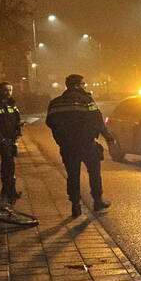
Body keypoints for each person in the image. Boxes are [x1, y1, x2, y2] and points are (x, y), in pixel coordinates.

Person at [46, 74, 113, 217]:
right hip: (86, 144)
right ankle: (97, 200)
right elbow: (98, 121)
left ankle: (75, 205)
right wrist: (108, 137)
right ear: (76, 85)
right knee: (94, 172)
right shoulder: (86, 100)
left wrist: (62, 139)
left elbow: (50, 122)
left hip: (68, 146)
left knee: (73, 175)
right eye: (83, 84)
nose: (84, 86)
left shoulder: (55, 103)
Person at [0, 82, 22, 202]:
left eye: (10, 90)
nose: (8, 92)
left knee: (10, 163)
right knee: (7, 162)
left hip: (12, 138)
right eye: (6, 90)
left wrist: (18, 130)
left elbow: (16, 117)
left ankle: (9, 190)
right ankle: (8, 191)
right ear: (0, 90)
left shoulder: (11, 102)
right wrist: (0, 138)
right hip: (2, 138)